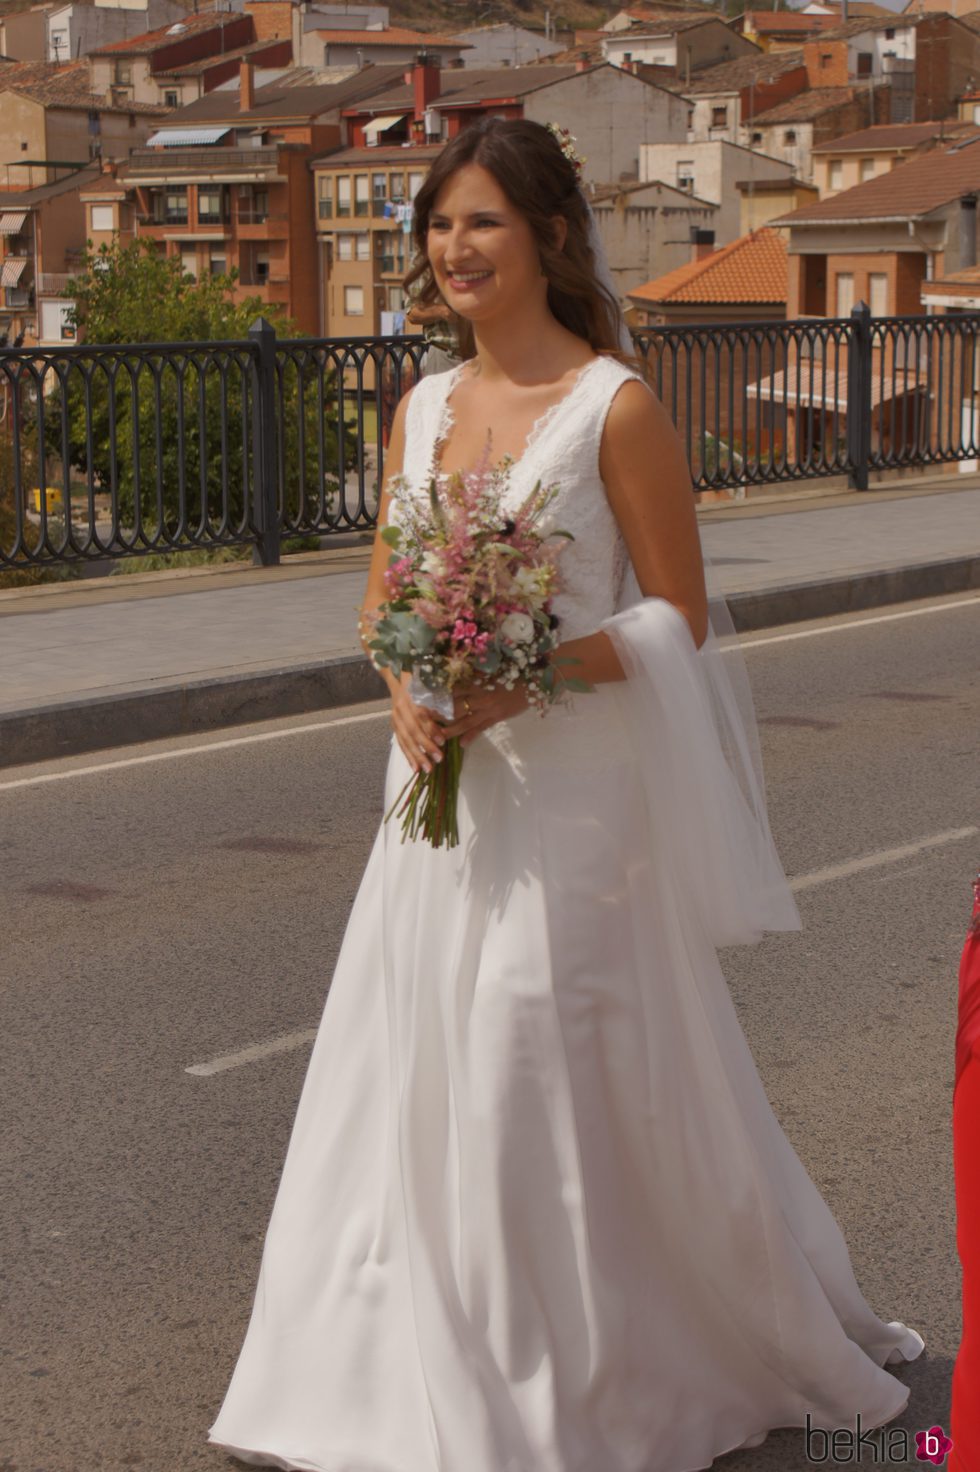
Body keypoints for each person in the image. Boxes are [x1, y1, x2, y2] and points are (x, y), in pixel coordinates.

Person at [206, 117, 924, 1472]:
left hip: (578, 800)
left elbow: (680, 620)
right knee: (415, 1062)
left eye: (479, 221)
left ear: (545, 235)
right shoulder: (418, 403)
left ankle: (593, 1366)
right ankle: (403, 1349)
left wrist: (524, 672)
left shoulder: (617, 408)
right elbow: (379, 597)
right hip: (440, 792)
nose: (452, 248)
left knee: (541, 1057)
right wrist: (409, 688)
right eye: (436, 225)